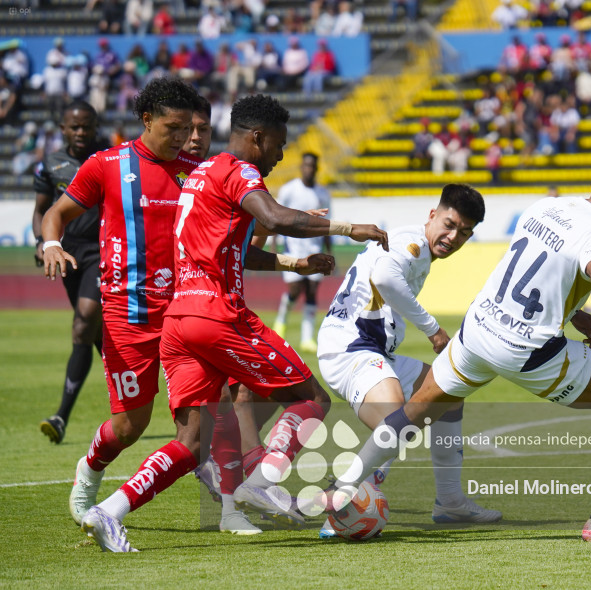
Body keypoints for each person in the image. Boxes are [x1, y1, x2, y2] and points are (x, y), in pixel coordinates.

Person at [77, 93, 388, 552]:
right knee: (311, 398)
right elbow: (275, 216)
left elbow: (232, 247)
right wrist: (348, 228)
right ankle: (263, 480)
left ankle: (109, 511)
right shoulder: (241, 171)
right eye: (279, 144)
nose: (281, 155)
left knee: (191, 440)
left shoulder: (200, 174)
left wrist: (294, 263)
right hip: (216, 314)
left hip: (179, 321)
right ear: (257, 138)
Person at [323, 149, 591, 543]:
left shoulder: (544, 207)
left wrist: (575, 312)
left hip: (475, 333)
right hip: (525, 349)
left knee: (411, 415)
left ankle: (343, 486)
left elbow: (542, 269)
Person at [40, 77, 205, 528]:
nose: (182, 138)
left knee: (209, 412)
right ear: (146, 119)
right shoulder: (106, 165)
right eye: (173, 128)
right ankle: (90, 469)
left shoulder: (196, 168)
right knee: (130, 427)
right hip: (127, 316)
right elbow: (57, 213)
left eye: (187, 129)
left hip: (184, 314)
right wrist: (52, 243)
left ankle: (228, 489)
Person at [316, 183, 501, 538]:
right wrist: (433, 330)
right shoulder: (412, 245)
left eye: (464, 233)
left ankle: (449, 501)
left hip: (371, 350)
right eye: (449, 224)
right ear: (432, 215)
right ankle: (340, 507)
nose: (452, 237)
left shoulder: (417, 247)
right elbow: (385, 277)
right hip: (350, 349)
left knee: (447, 393)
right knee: (396, 421)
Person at [33, 101, 107, 444]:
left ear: (95, 126)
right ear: (62, 129)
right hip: (69, 253)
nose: (80, 132)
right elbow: (42, 210)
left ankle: (61, 415)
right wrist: (43, 241)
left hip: (104, 251)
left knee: (84, 319)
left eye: (86, 126)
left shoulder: (110, 157)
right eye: (73, 127)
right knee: (94, 335)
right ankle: (131, 384)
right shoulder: (49, 165)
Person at [273, 152, 332, 351]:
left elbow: (326, 225)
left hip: (315, 248)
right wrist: (273, 244)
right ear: (301, 167)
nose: (308, 169)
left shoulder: (323, 194)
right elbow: (276, 217)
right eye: (305, 165)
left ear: (316, 168)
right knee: (295, 289)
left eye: (312, 166)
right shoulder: (289, 190)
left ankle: (307, 338)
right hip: (293, 248)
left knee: (312, 291)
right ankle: (280, 322)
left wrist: (329, 252)